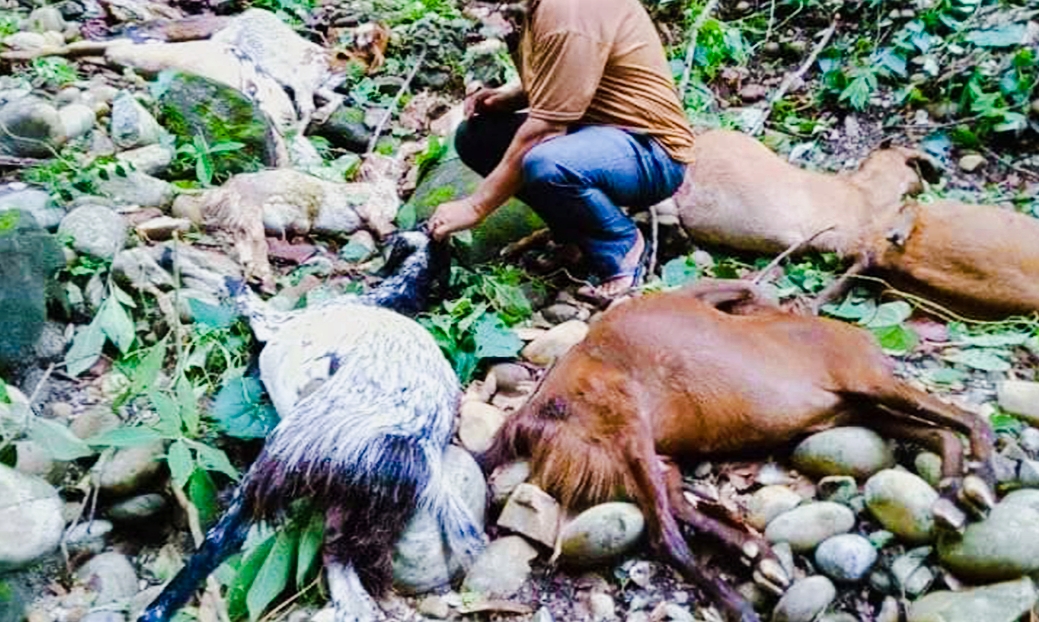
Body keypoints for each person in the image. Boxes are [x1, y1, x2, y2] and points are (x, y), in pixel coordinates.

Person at [427, 0, 696, 300]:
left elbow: (543, 132)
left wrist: (474, 207)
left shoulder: (569, 11)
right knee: (476, 136)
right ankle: (575, 235)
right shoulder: (532, 10)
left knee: (546, 163)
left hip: (651, 153)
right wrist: (507, 99)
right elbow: (565, 76)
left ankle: (621, 244)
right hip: (592, 134)